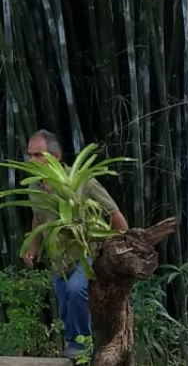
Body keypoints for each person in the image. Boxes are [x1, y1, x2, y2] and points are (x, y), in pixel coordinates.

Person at [23, 129, 129, 359]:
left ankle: (83, 347)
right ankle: (75, 347)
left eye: (38, 155)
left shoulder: (81, 181)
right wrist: (32, 245)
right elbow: (38, 217)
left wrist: (122, 249)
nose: (32, 160)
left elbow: (114, 214)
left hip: (86, 253)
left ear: (56, 156)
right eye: (29, 155)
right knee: (63, 301)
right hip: (57, 257)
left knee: (76, 290)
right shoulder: (34, 186)